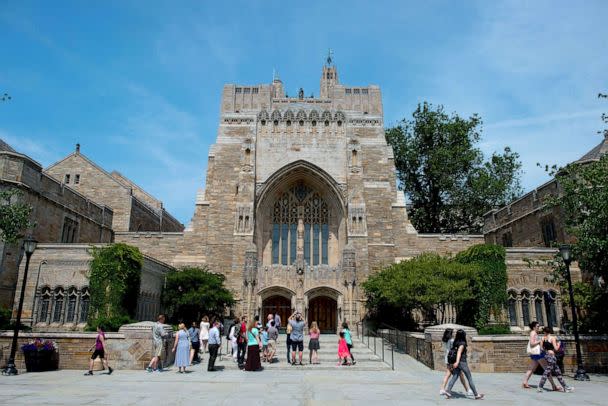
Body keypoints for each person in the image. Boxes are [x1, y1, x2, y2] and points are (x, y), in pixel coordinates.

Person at [444, 329, 484, 399]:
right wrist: (457, 362)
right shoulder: (462, 343)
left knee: (455, 377)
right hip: (462, 362)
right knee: (469, 378)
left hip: (456, 362)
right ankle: (476, 395)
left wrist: (455, 362)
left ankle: (448, 391)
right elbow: (459, 353)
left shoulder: (455, 342)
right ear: (463, 335)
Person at [522, 321, 558, 390]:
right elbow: (532, 343)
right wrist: (540, 341)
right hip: (538, 353)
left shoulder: (534, 333)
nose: (539, 327)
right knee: (546, 369)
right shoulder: (533, 333)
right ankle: (553, 386)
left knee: (532, 368)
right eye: (537, 326)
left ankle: (525, 382)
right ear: (534, 327)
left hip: (535, 354)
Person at [538, 327, 574, 393]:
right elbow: (556, 349)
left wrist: (546, 351)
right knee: (547, 372)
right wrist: (559, 344)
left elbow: (541, 349)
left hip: (547, 356)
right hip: (552, 356)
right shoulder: (552, 338)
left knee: (558, 372)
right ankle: (540, 387)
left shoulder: (542, 338)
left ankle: (565, 387)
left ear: (545, 332)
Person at [439, 328, 472, 397]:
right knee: (460, 375)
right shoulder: (452, 340)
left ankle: (442, 389)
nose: (454, 334)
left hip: (447, 358)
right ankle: (468, 390)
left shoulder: (444, 340)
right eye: (453, 332)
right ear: (450, 333)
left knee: (449, 374)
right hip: (453, 359)